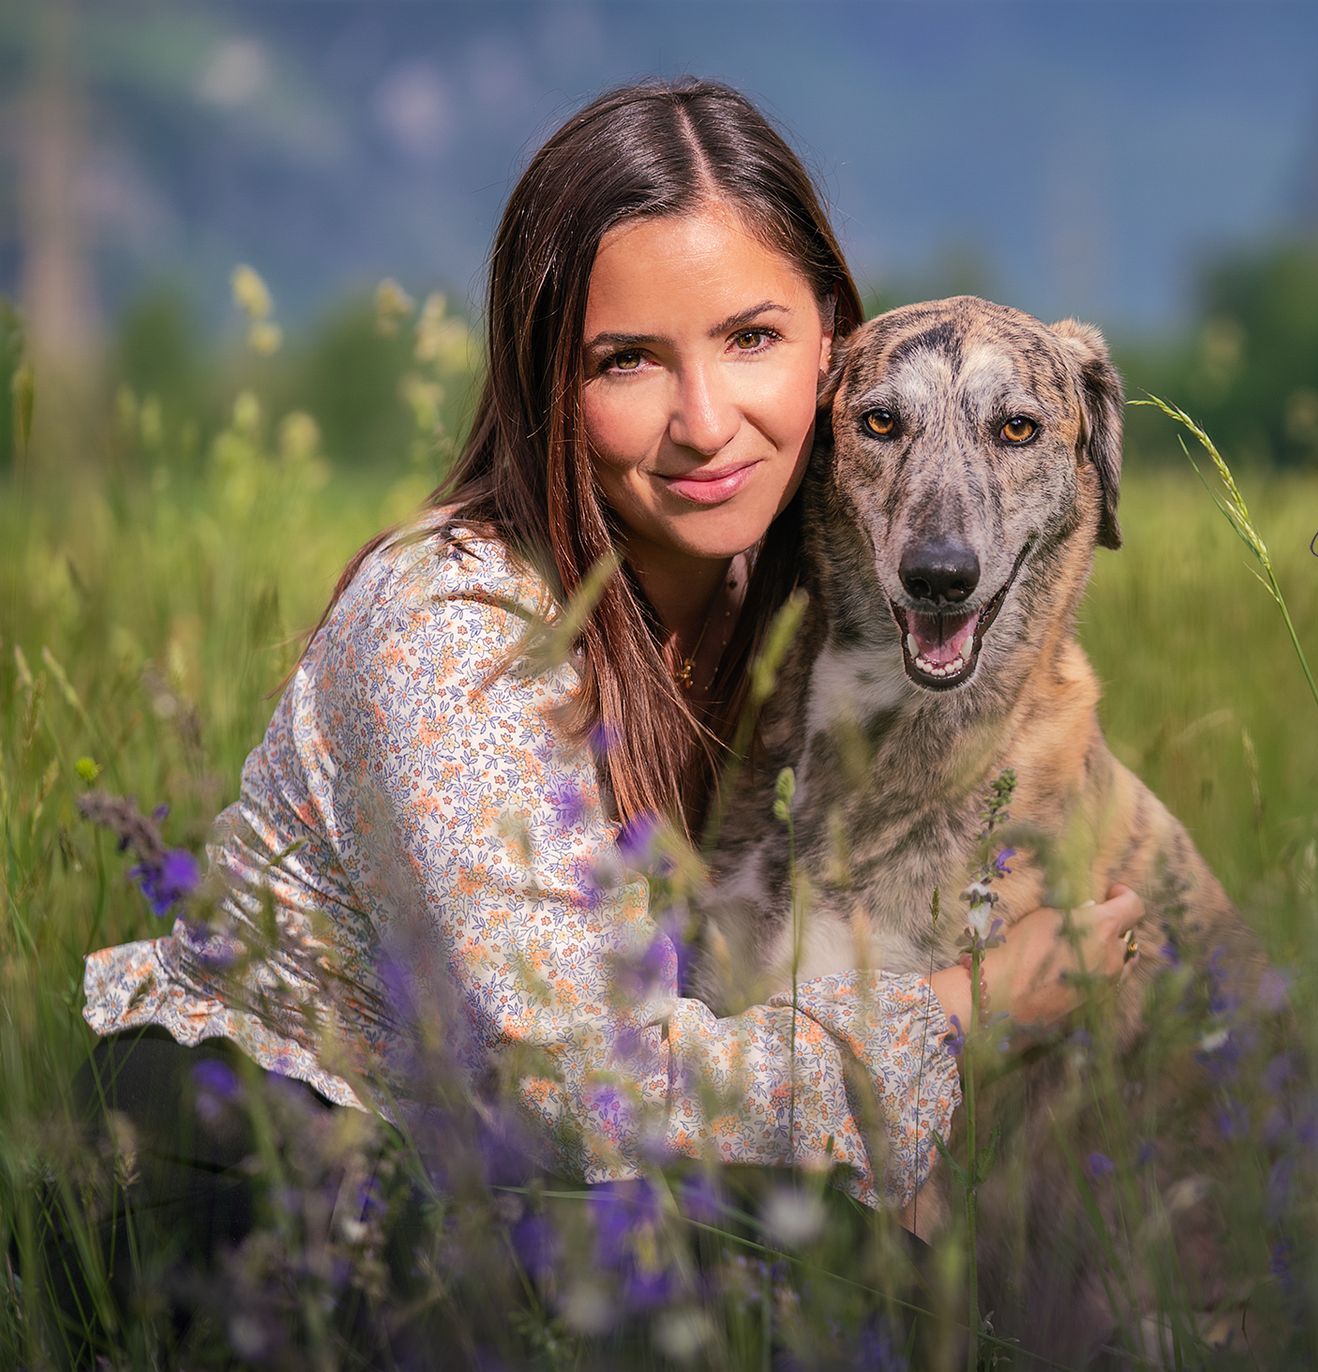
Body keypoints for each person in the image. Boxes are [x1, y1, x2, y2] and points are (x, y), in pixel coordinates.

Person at [59, 76, 1144, 1350]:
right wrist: (968, 1012)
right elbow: (580, 1084)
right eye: (627, 360)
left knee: (992, 1300)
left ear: (833, 347)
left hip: (522, 1183)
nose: (705, 423)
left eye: (751, 338)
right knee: (876, 1310)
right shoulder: (454, 623)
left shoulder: (806, 607)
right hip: (255, 1162)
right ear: (545, 382)